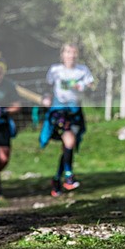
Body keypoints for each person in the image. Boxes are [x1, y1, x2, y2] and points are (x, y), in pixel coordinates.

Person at [40, 44, 95, 197]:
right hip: (59, 111)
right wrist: (45, 98)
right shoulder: (55, 70)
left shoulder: (82, 70)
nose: (71, 55)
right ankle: (69, 175)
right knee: (69, 142)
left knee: (68, 146)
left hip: (75, 111)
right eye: (68, 52)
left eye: (74, 52)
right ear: (62, 54)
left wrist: (83, 86)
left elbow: (92, 86)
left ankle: (57, 179)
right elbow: (46, 88)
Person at [0, 53, 21, 199]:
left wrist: (5, 110)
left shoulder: (9, 86)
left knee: (3, 157)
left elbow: (17, 106)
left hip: (2, 124)